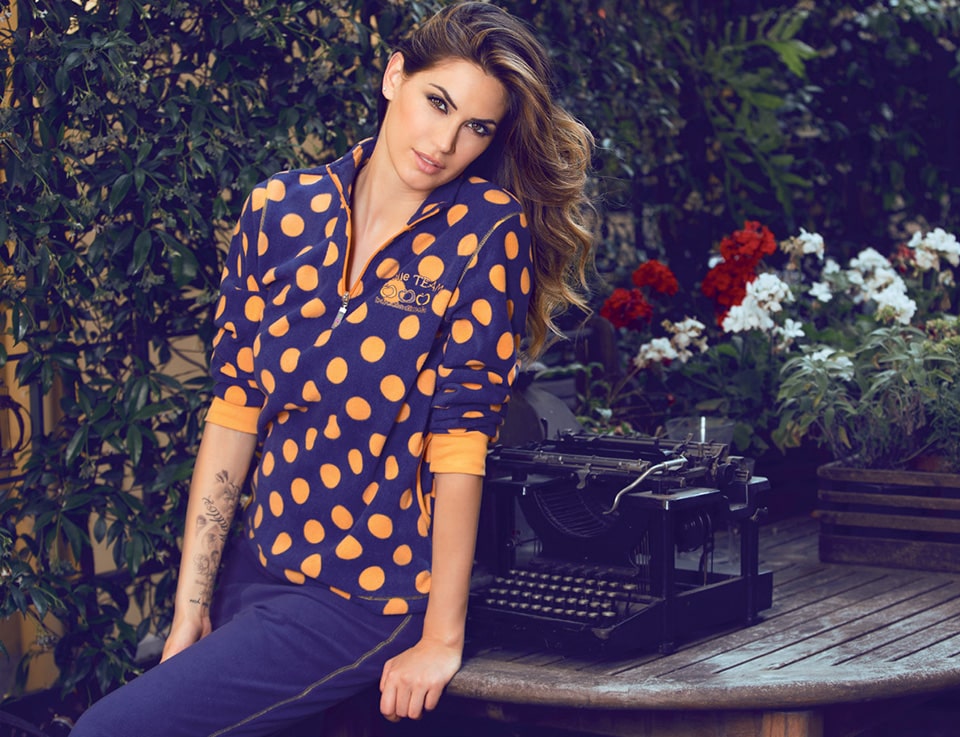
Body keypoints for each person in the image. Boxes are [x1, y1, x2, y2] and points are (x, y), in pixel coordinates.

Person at [70, 2, 593, 735]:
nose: (445, 142)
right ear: (394, 76)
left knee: (107, 731)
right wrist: (191, 608)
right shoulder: (278, 210)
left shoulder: (485, 231)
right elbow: (235, 413)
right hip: (259, 565)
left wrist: (441, 637)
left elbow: (460, 442)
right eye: (437, 103)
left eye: (477, 127)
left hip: (367, 594)